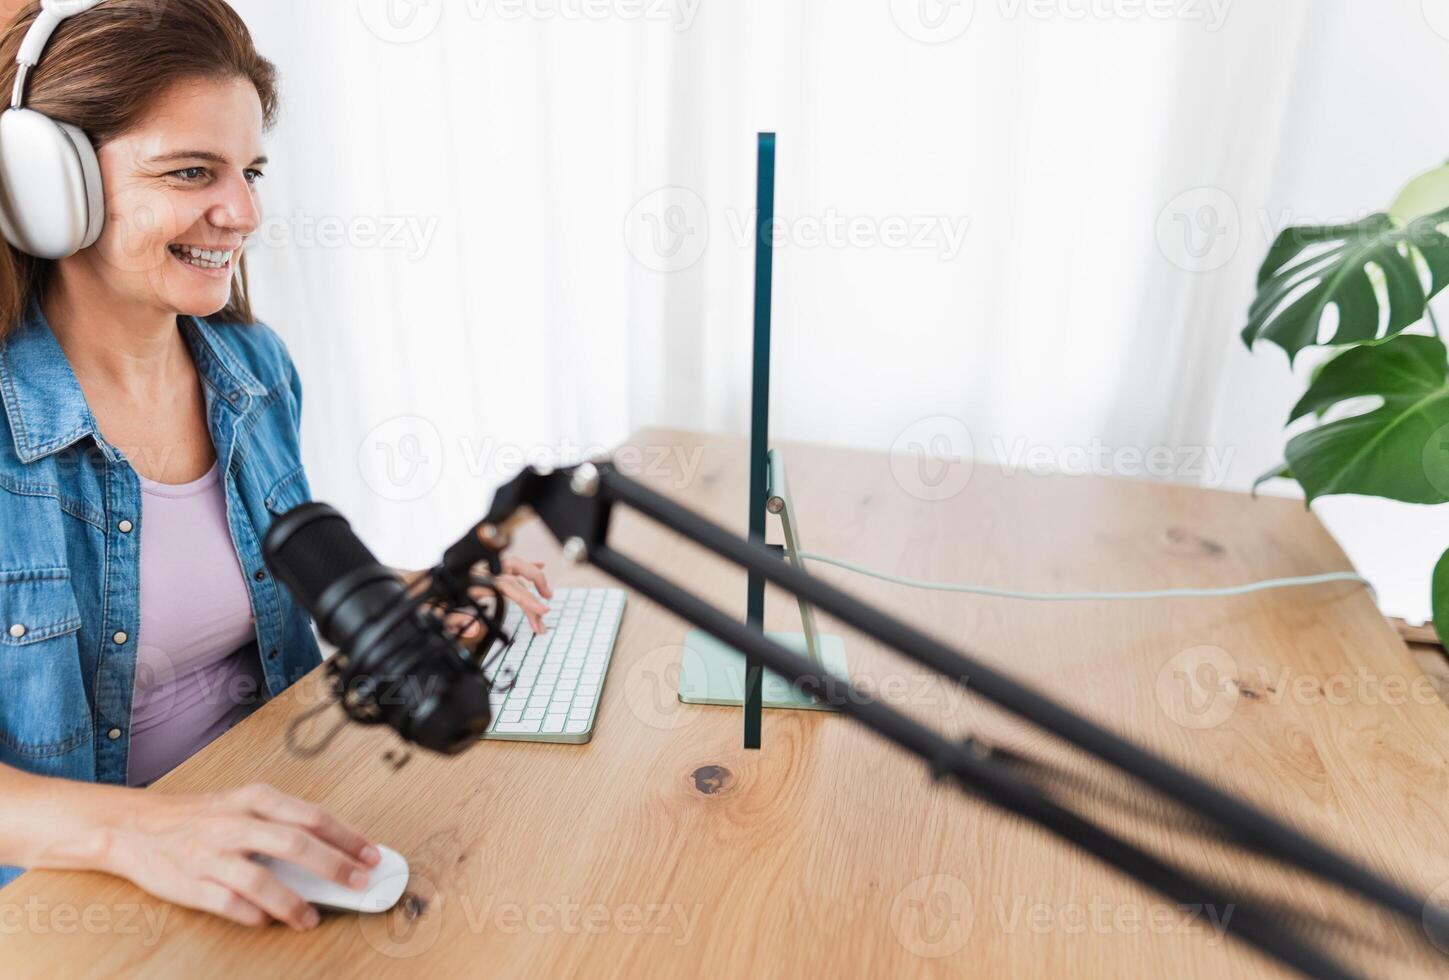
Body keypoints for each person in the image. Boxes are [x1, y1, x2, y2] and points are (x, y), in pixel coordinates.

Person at [0, 0, 550, 931]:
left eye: (250, 171)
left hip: (269, 832)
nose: (244, 212)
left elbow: (237, 611)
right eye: (191, 172)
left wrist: (393, 605)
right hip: (70, 907)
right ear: (45, 187)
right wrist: (139, 832)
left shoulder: (253, 372)